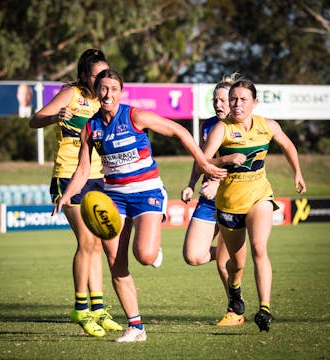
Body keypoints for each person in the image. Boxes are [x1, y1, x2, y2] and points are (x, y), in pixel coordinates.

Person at [53, 69, 227, 342]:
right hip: (114, 197)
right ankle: (136, 327)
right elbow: (83, 169)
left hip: (147, 192)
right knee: (115, 262)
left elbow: (178, 130)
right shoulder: (90, 128)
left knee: (144, 255)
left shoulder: (135, 116)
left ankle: (152, 249)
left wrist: (204, 163)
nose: (107, 93)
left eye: (113, 88)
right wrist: (67, 194)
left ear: (120, 92)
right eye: (103, 88)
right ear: (97, 92)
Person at [29, 49, 122, 337]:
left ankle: (98, 309)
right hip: (68, 175)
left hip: (98, 177)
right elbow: (35, 119)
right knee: (87, 241)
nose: (103, 80)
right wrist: (56, 114)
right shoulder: (70, 93)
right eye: (97, 75)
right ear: (84, 75)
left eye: (107, 74)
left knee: (97, 244)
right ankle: (80, 308)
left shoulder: (105, 100)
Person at [202, 77, 306, 332]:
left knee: (259, 247)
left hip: (260, 197)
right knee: (235, 265)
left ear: (255, 103)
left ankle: (265, 309)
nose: (237, 104)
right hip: (229, 204)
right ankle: (235, 290)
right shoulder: (221, 129)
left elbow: (288, 145)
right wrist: (225, 158)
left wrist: (298, 173)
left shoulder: (267, 126)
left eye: (243, 100)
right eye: (233, 99)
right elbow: (202, 162)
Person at [181, 74, 248, 327]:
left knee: (222, 262)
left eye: (223, 100)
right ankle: (238, 258)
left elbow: (245, 164)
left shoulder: (242, 128)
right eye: (215, 100)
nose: (218, 104)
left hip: (235, 198)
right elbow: (202, 159)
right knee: (193, 255)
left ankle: (235, 310)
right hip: (208, 200)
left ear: (234, 102)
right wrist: (190, 184)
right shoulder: (208, 125)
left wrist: (219, 181)